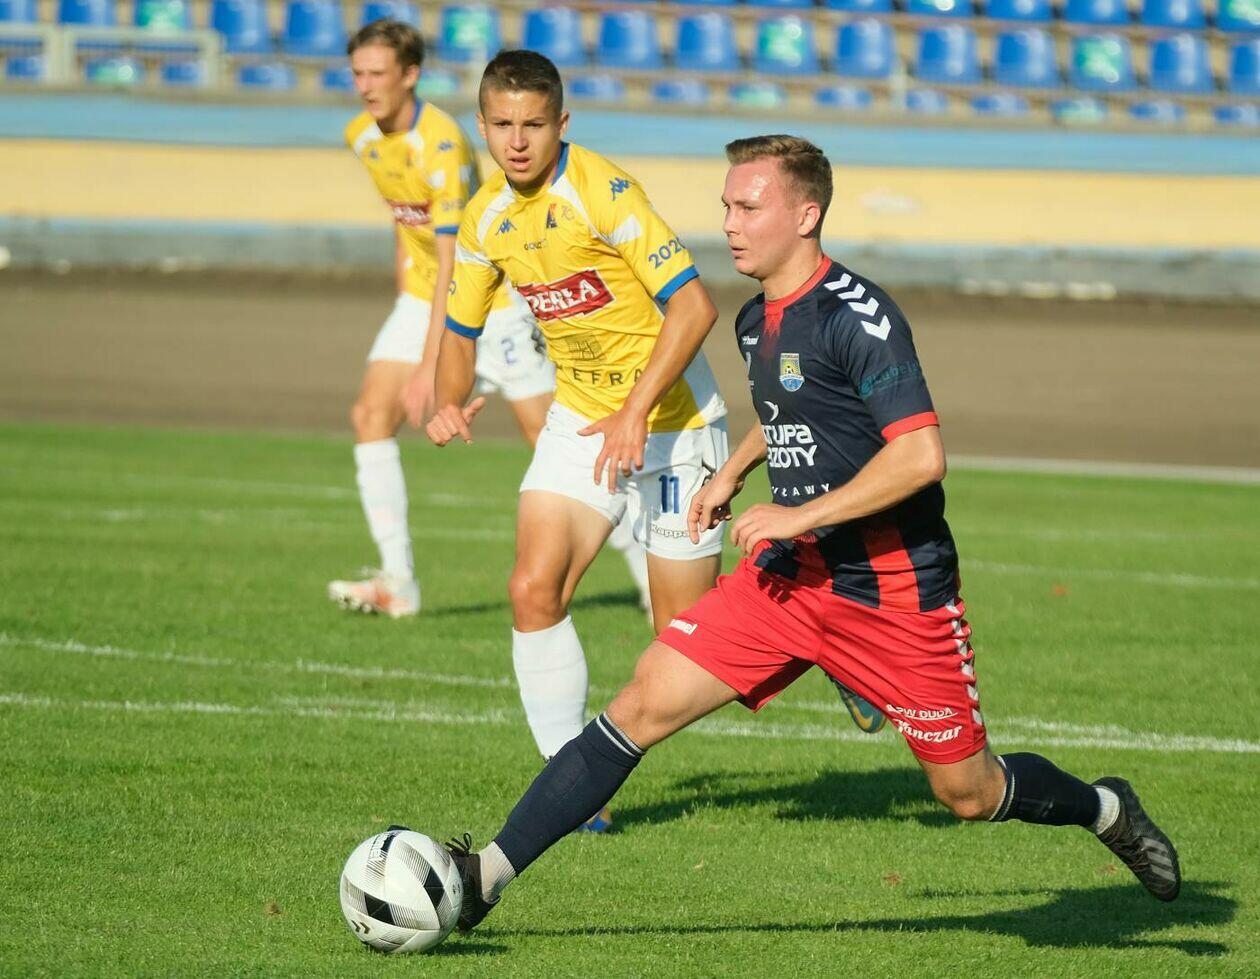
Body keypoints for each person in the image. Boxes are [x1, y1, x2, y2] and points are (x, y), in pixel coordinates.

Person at [432, 135, 1180, 930]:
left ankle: (1105, 808)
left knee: (969, 792)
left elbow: (921, 456)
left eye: (749, 206)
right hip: (789, 582)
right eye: (726, 205)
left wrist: (797, 514)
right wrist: (733, 471)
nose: (730, 223)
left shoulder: (860, 316)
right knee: (643, 701)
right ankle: (483, 877)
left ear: (806, 214)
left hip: (892, 594)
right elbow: (793, 408)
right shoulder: (756, 319)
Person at [425, 52, 732, 824]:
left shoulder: (604, 191)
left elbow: (695, 307)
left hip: (675, 428)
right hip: (579, 420)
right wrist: (447, 399)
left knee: (684, 648)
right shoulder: (484, 217)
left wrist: (634, 411)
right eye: (502, 124)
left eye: (533, 124)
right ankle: (572, 789)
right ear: (482, 125)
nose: (517, 141)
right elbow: (460, 328)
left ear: (562, 123)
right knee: (533, 589)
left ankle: (814, 623)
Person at [329, 22, 649, 619]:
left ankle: (650, 581)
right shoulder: (360, 136)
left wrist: (430, 364)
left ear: (410, 75)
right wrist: (405, 298)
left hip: (492, 305)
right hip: (421, 297)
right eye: (358, 74)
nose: (365, 86)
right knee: (370, 415)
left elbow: (455, 258)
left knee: (563, 448)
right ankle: (398, 581)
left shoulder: (442, 145)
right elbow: (405, 227)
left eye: (377, 73)